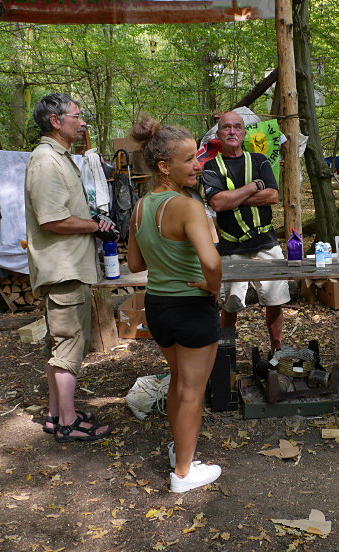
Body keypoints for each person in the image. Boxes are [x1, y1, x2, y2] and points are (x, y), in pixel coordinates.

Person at [127, 115, 223, 493]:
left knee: (179, 382)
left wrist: (164, 255)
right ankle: (183, 473)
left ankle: (178, 452)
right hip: (190, 307)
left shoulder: (140, 206)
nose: (198, 164)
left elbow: (135, 264)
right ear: (165, 166)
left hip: (159, 307)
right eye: (189, 160)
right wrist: (212, 288)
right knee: (191, 391)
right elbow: (212, 261)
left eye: (196, 157)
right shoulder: (186, 206)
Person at [25, 93, 113, 442]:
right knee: (69, 348)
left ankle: (55, 414)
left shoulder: (59, 157)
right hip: (63, 269)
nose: (83, 121)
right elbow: (52, 220)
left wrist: (90, 218)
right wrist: (94, 226)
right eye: (77, 116)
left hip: (67, 266)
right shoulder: (46, 162)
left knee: (59, 346)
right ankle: (68, 422)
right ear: (55, 122)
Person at [202, 110, 290, 352]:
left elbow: (272, 195)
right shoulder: (211, 167)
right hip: (232, 247)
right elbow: (218, 204)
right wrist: (253, 187)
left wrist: (233, 198)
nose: (232, 131)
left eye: (237, 127)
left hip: (266, 243)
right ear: (218, 134)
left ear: (243, 133)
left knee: (275, 301)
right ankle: (227, 357)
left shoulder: (259, 160)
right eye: (226, 127)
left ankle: (277, 351)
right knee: (230, 305)